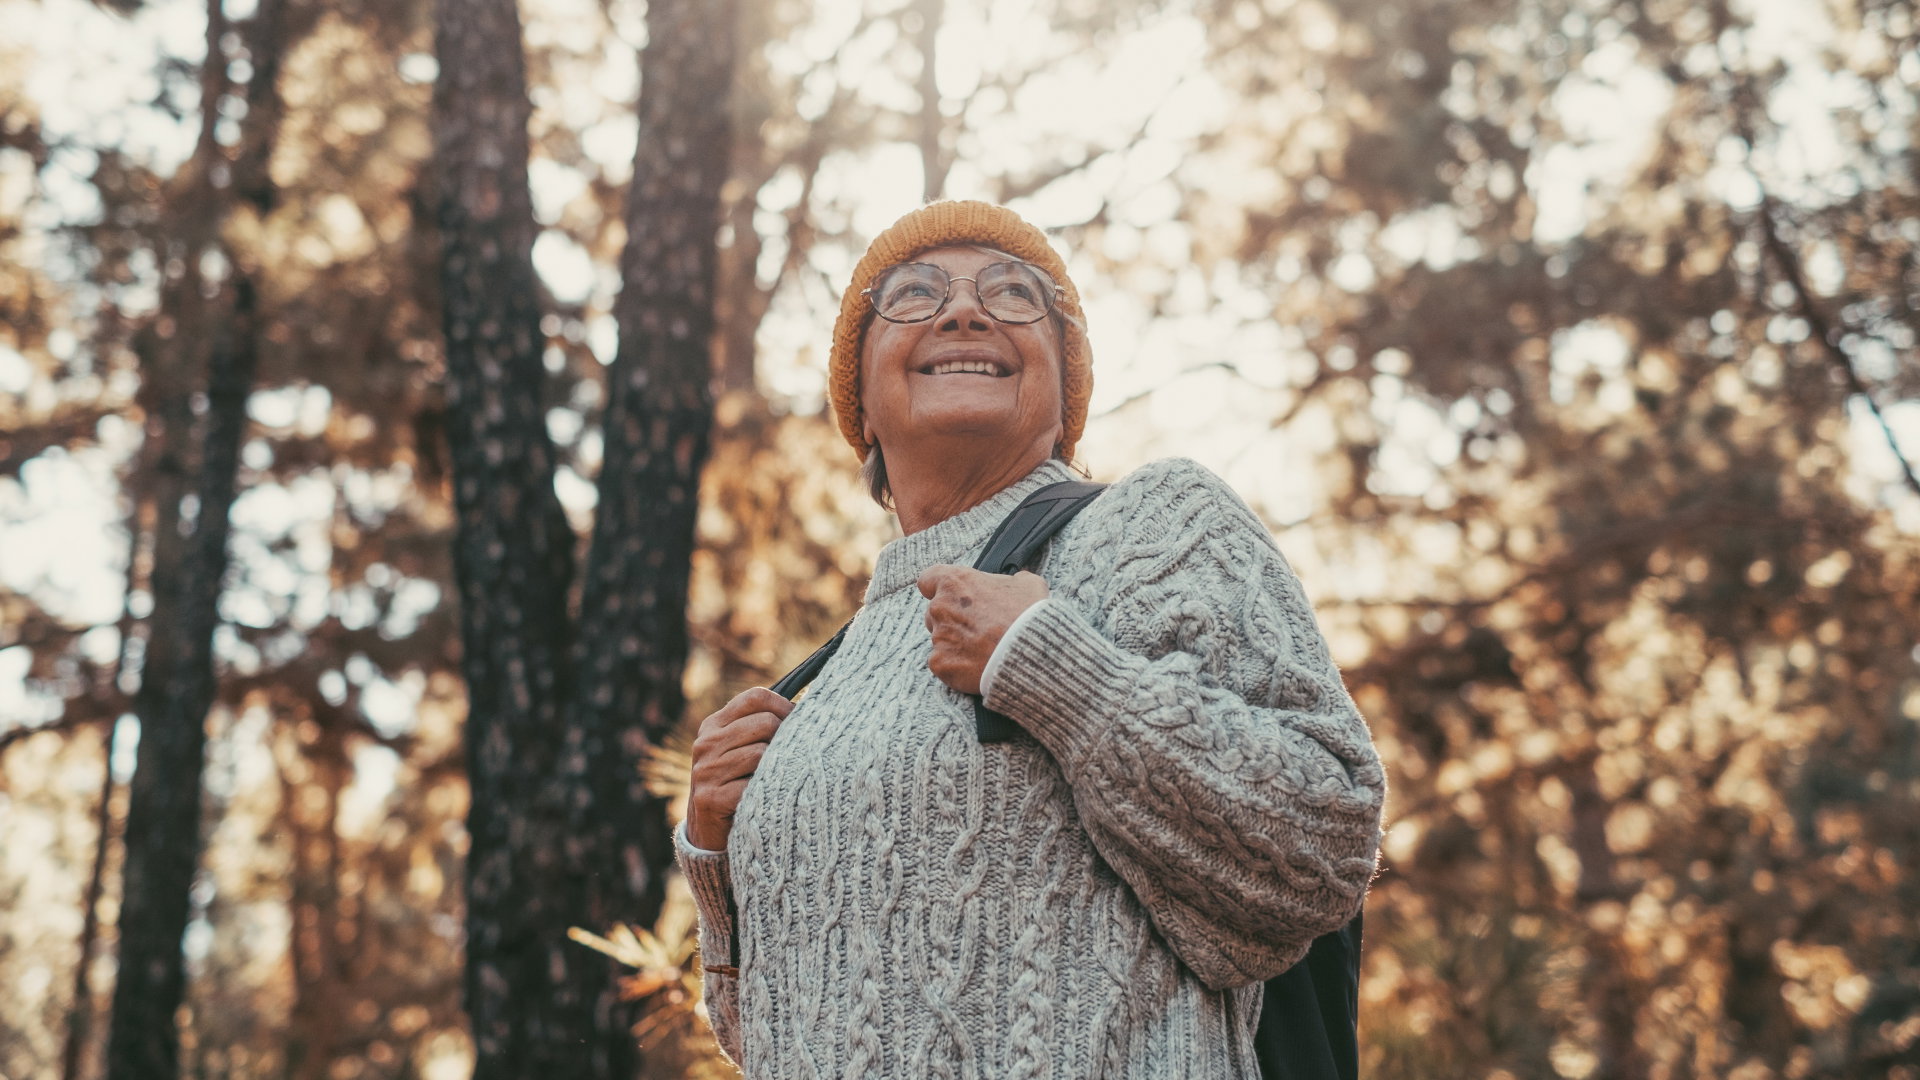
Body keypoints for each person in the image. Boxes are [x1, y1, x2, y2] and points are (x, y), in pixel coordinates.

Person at [676, 200, 1385, 1078]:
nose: (964, 311)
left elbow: (1323, 839)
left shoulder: (1153, 525)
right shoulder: (826, 682)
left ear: (1065, 393)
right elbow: (775, 1038)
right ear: (860, 396)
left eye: (1014, 295)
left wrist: (1052, 668)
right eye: (913, 294)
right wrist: (716, 855)